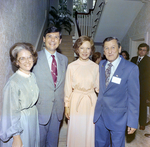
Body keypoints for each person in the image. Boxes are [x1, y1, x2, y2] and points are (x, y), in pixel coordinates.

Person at [94, 37, 140, 147]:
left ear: (119, 49)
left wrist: (132, 122)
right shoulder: (102, 65)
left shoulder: (131, 68)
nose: (110, 51)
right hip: (100, 116)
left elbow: (134, 98)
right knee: (100, 144)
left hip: (118, 117)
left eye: (113, 47)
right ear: (103, 51)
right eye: (106, 48)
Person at [32, 26, 68, 147]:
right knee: (39, 143)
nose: (53, 39)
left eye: (56, 37)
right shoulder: (34, 58)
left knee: (53, 143)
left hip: (57, 110)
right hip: (40, 109)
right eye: (49, 36)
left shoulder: (64, 59)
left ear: (60, 40)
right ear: (43, 39)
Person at [0, 42, 39, 147]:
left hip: (32, 119)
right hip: (21, 124)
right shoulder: (13, 83)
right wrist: (16, 137)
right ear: (16, 62)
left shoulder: (32, 76)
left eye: (29, 57)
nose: (27, 61)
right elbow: (11, 112)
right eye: (22, 58)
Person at [64, 35, 99, 147]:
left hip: (91, 101)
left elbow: (99, 88)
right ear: (77, 49)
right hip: (76, 101)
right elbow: (67, 88)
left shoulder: (95, 67)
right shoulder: (71, 66)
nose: (85, 51)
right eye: (82, 48)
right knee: (76, 130)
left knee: (89, 130)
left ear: (91, 50)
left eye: (88, 48)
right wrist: (67, 106)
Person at [131, 43, 150, 130]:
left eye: (144, 50)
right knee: (132, 105)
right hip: (132, 86)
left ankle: (142, 123)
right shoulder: (133, 59)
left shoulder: (148, 60)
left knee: (142, 105)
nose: (141, 51)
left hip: (143, 88)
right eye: (140, 49)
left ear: (147, 52)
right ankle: (131, 122)